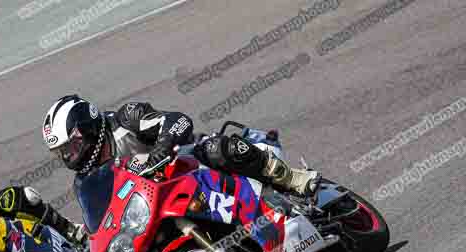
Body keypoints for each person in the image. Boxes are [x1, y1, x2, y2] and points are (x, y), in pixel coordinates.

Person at [41, 94, 320, 198]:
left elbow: (177, 120)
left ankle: (291, 178)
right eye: (62, 151)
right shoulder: (85, 180)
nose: (69, 154)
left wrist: (162, 146)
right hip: (159, 201)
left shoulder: (125, 119)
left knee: (218, 149)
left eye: (72, 144)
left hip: (189, 167)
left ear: (87, 127)